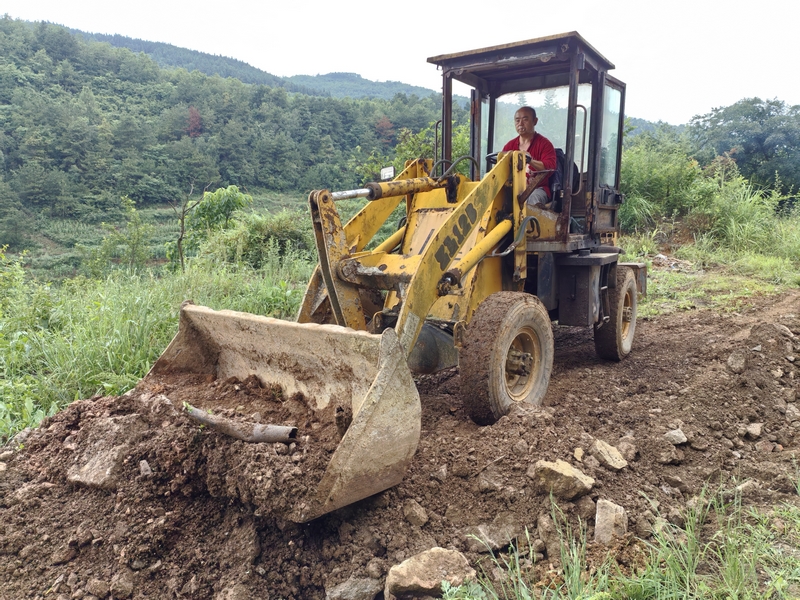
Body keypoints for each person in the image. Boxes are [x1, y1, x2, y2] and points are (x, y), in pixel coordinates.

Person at [503, 106, 557, 207]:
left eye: (525, 119)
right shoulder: (509, 146)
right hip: (514, 189)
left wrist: (530, 161)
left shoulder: (544, 144)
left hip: (537, 189)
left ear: (535, 121)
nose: (520, 124)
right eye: (517, 120)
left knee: (532, 198)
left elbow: (551, 167)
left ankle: (529, 223)